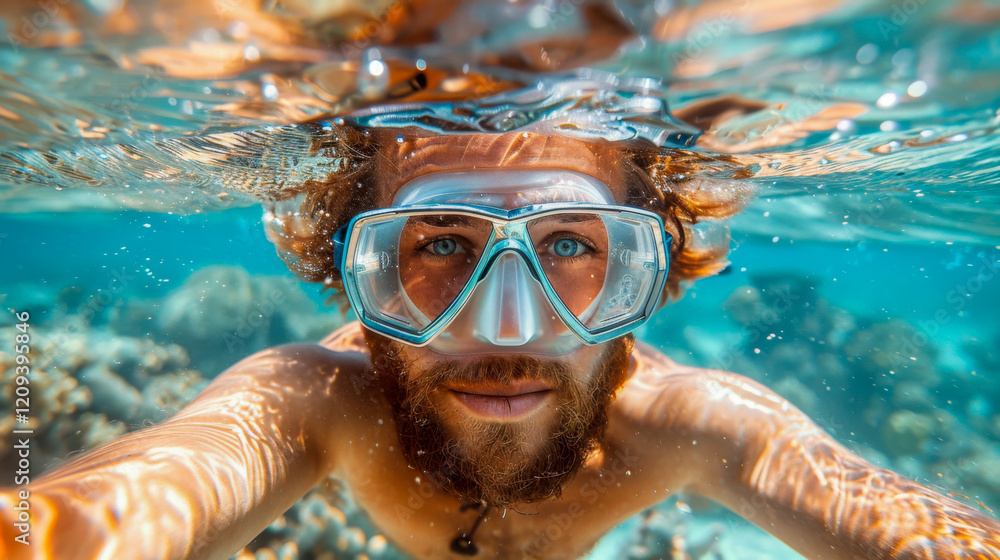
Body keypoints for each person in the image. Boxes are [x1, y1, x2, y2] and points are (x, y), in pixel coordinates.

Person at [2, 123, 999, 560]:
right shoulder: (314, 399)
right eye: (438, 244)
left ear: (647, 273)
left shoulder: (692, 421)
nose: (505, 327)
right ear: (353, 266)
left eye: (571, 244)